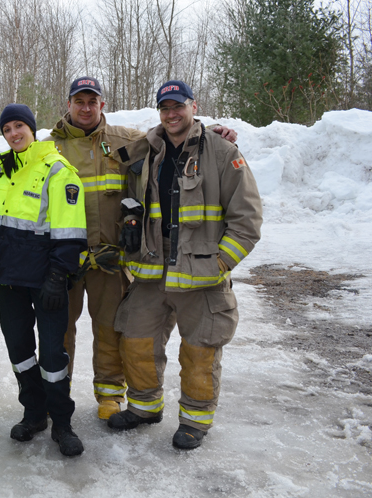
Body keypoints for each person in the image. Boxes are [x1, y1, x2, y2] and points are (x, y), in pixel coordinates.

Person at [50, 76, 239, 421]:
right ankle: (56, 393)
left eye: (93, 101)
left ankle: (110, 395)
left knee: (110, 330)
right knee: (59, 332)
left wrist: (214, 133)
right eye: (80, 101)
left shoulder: (128, 142)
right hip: (65, 259)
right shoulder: (48, 149)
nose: (86, 107)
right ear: (69, 104)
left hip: (110, 258)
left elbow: (179, 135)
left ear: (102, 104)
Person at [107, 80, 262, 449]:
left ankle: (195, 419)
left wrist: (221, 262)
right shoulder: (148, 149)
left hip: (201, 273)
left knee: (200, 350)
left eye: (178, 106)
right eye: (165, 107)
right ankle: (145, 407)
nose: (172, 114)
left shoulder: (223, 152)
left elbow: (247, 221)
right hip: (152, 268)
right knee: (137, 340)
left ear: (194, 106)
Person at [0, 104, 88, 457]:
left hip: (47, 280)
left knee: (51, 355)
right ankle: (34, 414)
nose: (14, 133)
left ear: (32, 128)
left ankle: (62, 422)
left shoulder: (57, 170)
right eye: (7, 129)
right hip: (10, 281)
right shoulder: (2, 171)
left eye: (20, 126)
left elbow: (71, 230)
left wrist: (58, 275)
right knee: (20, 352)